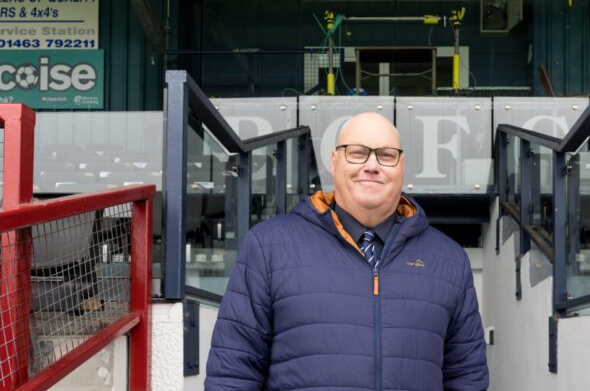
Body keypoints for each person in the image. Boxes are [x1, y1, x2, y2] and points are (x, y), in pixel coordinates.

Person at [206, 111, 488, 390]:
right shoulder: (269, 247)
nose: (372, 165)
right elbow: (233, 374)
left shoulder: (449, 260)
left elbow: (467, 379)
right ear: (334, 161)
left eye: (386, 155)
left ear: (402, 166)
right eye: (357, 152)